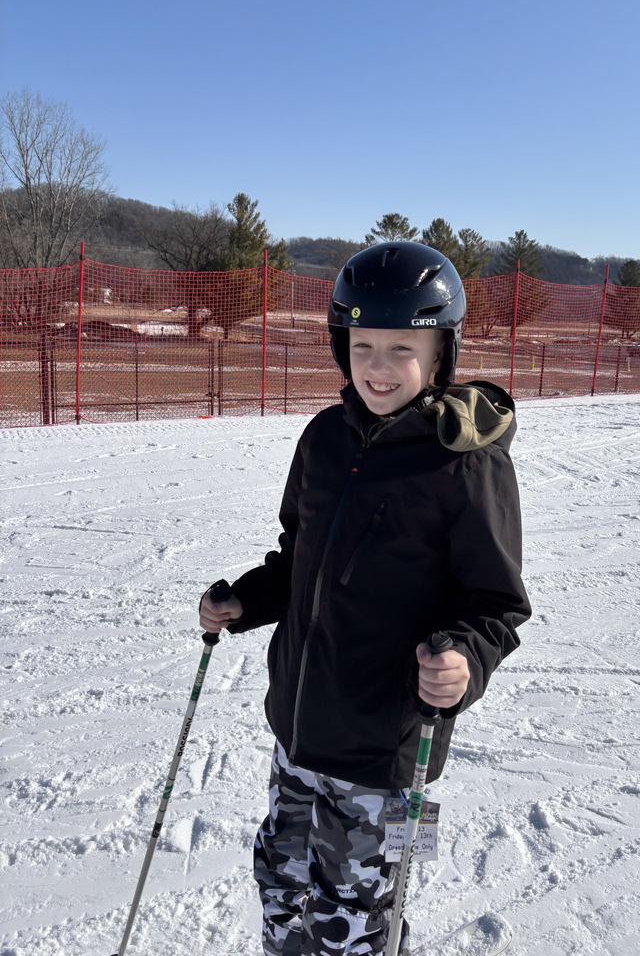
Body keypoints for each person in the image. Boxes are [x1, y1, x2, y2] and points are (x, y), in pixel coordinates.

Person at [199, 241, 531, 956]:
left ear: (441, 351)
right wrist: (244, 604)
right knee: (282, 888)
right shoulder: (322, 439)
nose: (379, 367)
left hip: (383, 752)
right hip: (299, 729)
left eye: (402, 348)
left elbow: (495, 602)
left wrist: (464, 662)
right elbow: (299, 559)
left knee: (351, 919)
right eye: (364, 345)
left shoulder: (463, 463)